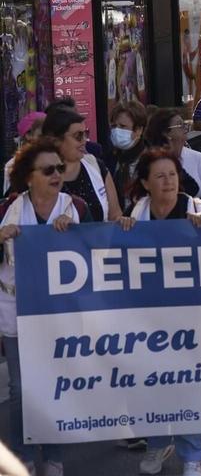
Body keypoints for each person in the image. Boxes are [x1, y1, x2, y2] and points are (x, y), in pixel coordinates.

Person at [118, 147, 201, 476]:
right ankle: (158, 444)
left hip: (193, 318)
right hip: (148, 319)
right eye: (159, 176)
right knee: (150, 383)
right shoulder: (136, 215)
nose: (168, 181)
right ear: (145, 183)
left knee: (190, 386)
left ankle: (192, 454)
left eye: (172, 174)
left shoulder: (198, 209)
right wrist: (121, 232)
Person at [0, 138, 80, 476]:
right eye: (48, 170)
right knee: (20, 388)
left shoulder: (74, 206)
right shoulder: (9, 210)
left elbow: (91, 256)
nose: (56, 175)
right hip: (15, 304)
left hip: (57, 313)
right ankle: (22, 455)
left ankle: (54, 455)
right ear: (28, 177)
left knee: (53, 382)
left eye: (59, 169)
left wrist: (72, 235)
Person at [43, 107, 121, 223]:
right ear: (56, 140)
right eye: (78, 136)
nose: (84, 140)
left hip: (98, 241)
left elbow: (115, 216)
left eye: (86, 134)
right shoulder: (38, 173)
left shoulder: (96, 166)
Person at [143, 109, 201, 202]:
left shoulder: (197, 157)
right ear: (165, 133)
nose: (185, 133)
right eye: (181, 126)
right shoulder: (148, 162)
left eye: (185, 126)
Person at [107, 100, 148, 210]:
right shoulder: (109, 158)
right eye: (114, 126)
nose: (116, 131)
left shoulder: (151, 159)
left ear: (138, 130)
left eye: (123, 126)